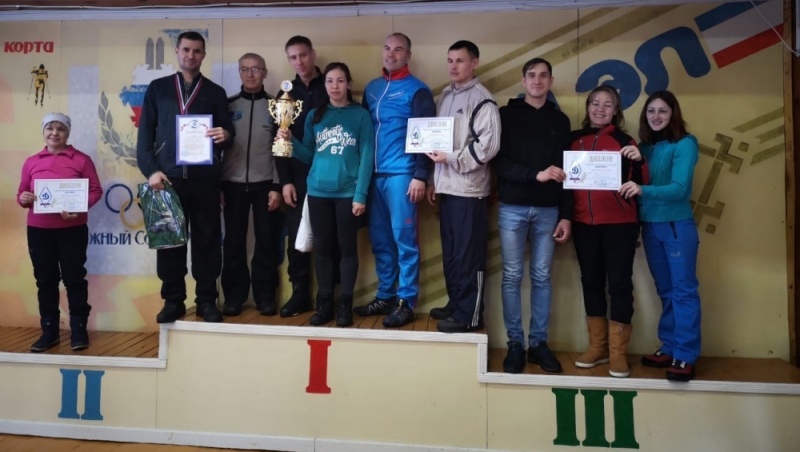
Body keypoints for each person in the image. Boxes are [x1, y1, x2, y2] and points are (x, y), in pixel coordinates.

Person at [136, 31, 234, 324]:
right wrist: (151, 171)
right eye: (186, 50)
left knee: (207, 241)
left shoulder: (215, 92)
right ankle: (173, 300)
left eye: (197, 51)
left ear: (204, 55)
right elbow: (145, 137)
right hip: (168, 180)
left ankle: (206, 300)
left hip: (205, 180)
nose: (191, 55)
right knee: (170, 243)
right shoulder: (158, 89)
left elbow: (228, 134)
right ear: (177, 51)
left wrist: (226, 134)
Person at [277, 62, 374, 327]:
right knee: (322, 250)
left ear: (348, 83)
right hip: (318, 192)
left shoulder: (360, 116)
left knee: (347, 249)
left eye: (340, 81)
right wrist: (290, 141)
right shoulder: (315, 116)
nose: (334, 86)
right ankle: (324, 304)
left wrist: (361, 195)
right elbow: (309, 154)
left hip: (348, 193)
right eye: (330, 81)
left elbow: (367, 157)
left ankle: (345, 305)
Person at [492, 57, 572, 374]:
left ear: (551, 81)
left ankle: (538, 344)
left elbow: (568, 174)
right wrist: (534, 175)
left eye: (543, 75)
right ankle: (515, 343)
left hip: (549, 210)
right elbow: (498, 162)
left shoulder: (561, 121)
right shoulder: (505, 115)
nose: (537, 80)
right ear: (523, 81)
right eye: (531, 75)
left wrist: (566, 215)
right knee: (512, 276)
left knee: (541, 277)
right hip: (512, 207)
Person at [619, 90, 701, 382]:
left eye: (663, 111)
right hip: (650, 226)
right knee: (665, 290)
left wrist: (642, 190)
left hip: (677, 225)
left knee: (683, 290)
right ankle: (669, 346)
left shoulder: (685, 144)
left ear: (673, 114)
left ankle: (685, 354)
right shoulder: (644, 148)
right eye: (651, 111)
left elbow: (679, 188)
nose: (656, 116)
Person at [358, 32, 436, 328]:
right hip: (374, 177)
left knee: (405, 241)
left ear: (408, 56)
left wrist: (420, 176)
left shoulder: (418, 90)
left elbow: (426, 135)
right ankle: (386, 295)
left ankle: (407, 301)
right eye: (387, 48)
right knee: (380, 240)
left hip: (403, 175)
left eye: (398, 49)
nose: (391, 54)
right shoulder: (372, 88)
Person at [569, 86, 648, 378]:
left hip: (620, 225)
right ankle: (598, 347)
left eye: (607, 105)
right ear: (588, 107)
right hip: (583, 225)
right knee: (590, 282)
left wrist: (639, 161)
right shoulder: (573, 140)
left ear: (616, 111)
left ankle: (618, 354)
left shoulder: (625, 141)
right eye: (595, 103)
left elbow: (642, 183)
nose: (600, 109)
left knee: (619, 285)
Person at [425, 40, 500, 333]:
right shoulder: (445, 96)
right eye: (450, 60)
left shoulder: (483, 99)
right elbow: (436, 144)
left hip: (470, 191)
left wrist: (451, 158)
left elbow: (487, 148)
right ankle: (456, 304)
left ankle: (470, 314)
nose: (453, 66)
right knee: (453, 254)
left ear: (474, 63)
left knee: (470, 256)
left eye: (460, 60)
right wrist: (434, 180)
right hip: (447, 188)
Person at [17, 113, 103, 352]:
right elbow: (22, 194)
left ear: (68, 133)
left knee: (74, 278)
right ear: (43, 131)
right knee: (45, 280)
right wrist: (23, 199)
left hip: (72, 230)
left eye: (60, 129)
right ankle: (49, 331)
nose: (54, 133)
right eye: (50, 128)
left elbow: (95, 190)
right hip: (38, 230)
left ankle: (78, 329)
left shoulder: (81, 160)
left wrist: (80, 206)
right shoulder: (31, 162)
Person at [221, 52, 282, 317]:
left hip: (265, 184)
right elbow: (216, 149)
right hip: (232, 184)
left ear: (264, 72)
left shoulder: (277, 107)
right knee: (233, 243)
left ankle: (265, 296)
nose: (250, 74)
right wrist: (218, 185)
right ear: (239, 73)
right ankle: (233, 297)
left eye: (256, 69)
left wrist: (277, 186)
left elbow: (282, 149)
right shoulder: (228, 105)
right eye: (244, 69)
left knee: (266, 243)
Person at [275, 35, 327, 318]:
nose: (299, 61)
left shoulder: (330, 84)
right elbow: (280, 141)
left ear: (313, 54)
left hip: (329, 175)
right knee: (296, 237)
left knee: (327, 237)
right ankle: (300, 294)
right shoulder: (286, 94)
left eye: (303, 55)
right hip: (296, 177)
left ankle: (327, 296)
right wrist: (284, 181)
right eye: (293, 57)